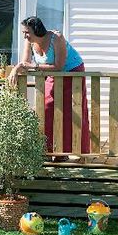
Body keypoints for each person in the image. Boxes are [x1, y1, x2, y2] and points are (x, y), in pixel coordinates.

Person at [8, 16, 90, 154]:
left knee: (71, 111)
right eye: (23, 32)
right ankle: (47, 150)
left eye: (27, 32)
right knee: (46, 108)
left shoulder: (56, 38)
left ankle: (66, 153)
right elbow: (24, 63)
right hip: (52, 73)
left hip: (72, 73)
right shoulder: (29, 41)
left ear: (37, 30)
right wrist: (16, 69)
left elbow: (58, 66)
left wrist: (33, 66)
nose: (24, 36)